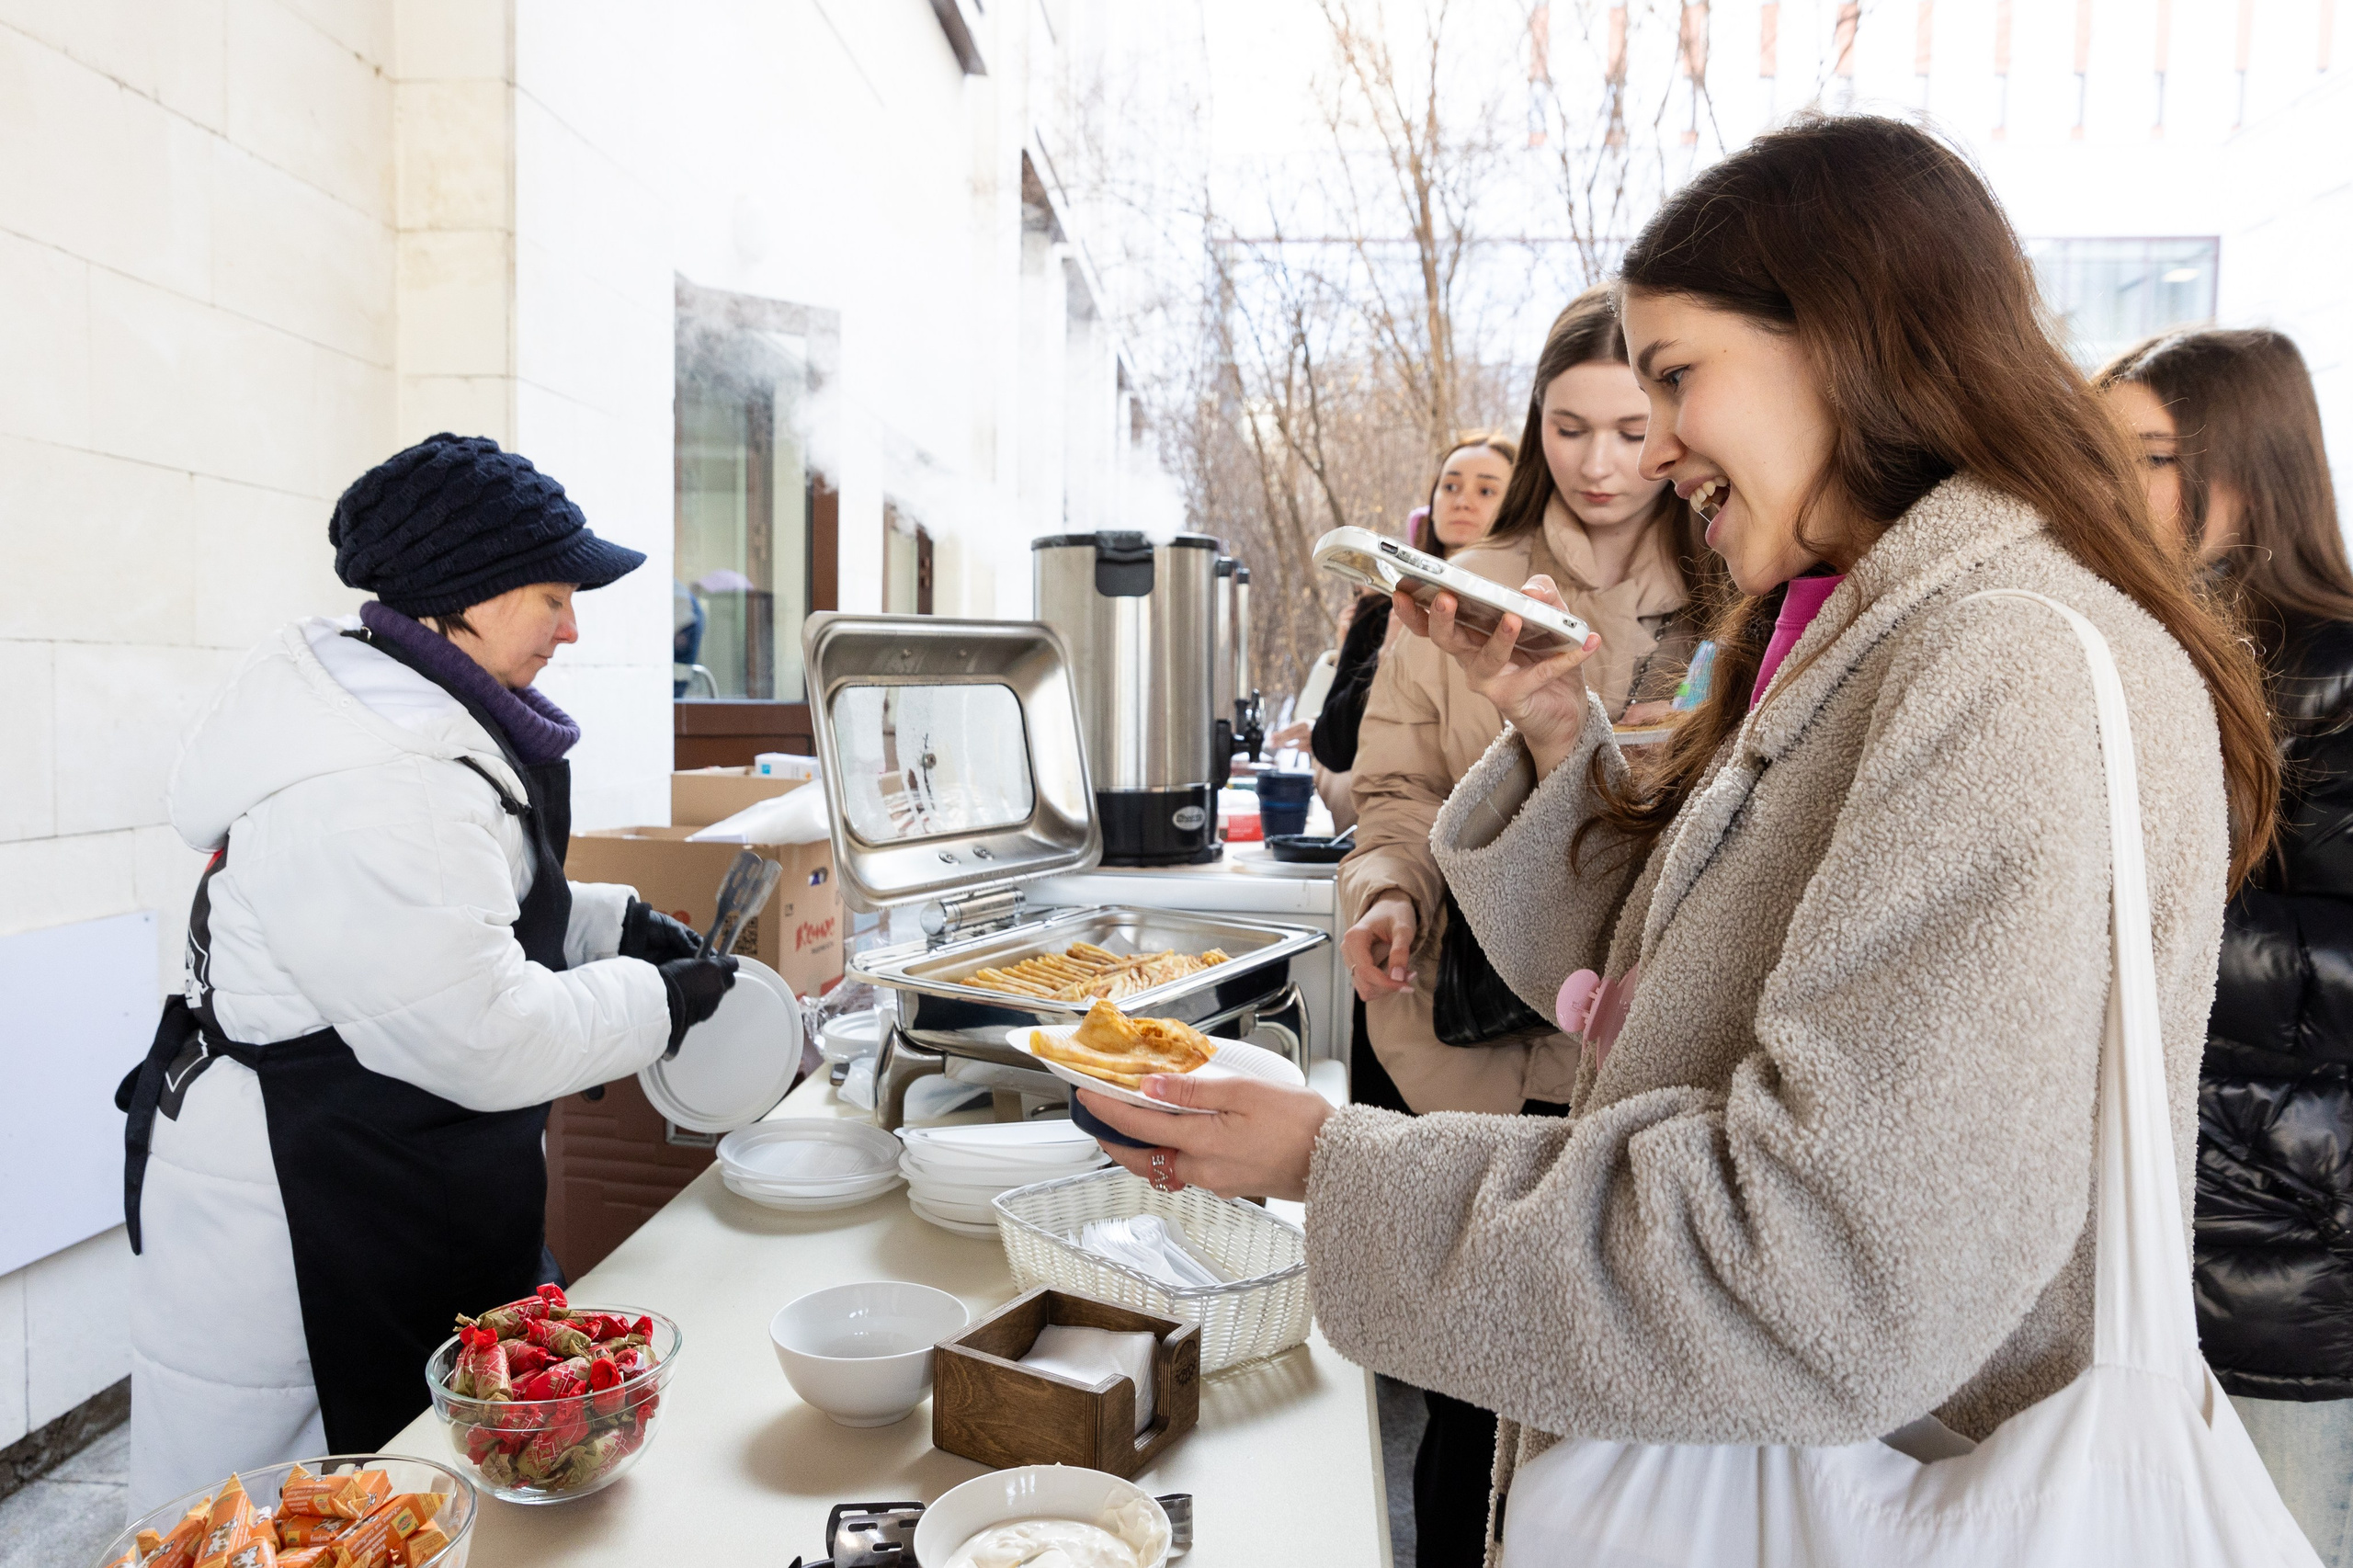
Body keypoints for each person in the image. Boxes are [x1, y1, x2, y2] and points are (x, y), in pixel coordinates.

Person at [1075, 116, 2276, 1560]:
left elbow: (1829, 1265)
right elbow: (1682, 984)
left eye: (1677, 379)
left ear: (1844, 335)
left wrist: (1332, 1166)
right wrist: (1548, 727)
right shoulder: (1877, 622)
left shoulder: (2005, 664)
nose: (1652, 441)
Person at [119, 434, 745, 1506]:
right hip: (313, 1205)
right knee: (316, 1505)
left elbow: (445, 917)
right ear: (468, 593)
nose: (574, 623)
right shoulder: (377, 771)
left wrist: (611, 924)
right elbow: (476, 1031)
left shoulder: (414, 720)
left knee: (417, 1476)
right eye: (554, 594)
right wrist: (658, 1002)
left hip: (382, 1165)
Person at [2099, 328, 2353, 1564]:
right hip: (2121, 1244)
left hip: (2280, 1253)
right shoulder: (2126, 653)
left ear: (2253, 468)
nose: (2108, 487)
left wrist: (2140, 915)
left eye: (2149, 456)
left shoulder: (2339, 675)